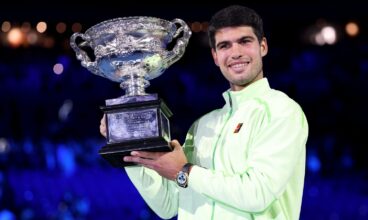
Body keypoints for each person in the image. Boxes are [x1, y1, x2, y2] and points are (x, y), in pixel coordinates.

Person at [100, 5, 308, 220]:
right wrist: (131, 146)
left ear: (262, 46)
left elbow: (258, 193)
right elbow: (168, 205)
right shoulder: (202, 126)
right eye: (224, 46)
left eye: (245, 42)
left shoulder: (282, 111)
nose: (235, 53)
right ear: (215, 56)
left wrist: (185, 171)